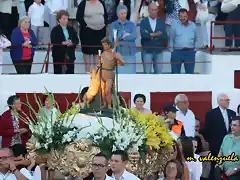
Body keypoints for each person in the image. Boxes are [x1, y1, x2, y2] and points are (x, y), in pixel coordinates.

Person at [76, 0, 108, 73]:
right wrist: (86, 26)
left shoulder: (101, 2)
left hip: (100, 32)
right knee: (87, 52)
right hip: (87, 32)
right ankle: (87, 72)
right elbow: (78, 17)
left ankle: (96, 74)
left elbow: (105, 15)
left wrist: (104, 24)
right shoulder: (83, 3)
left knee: (98, 52)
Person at [140, 2, 167, 74]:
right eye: (153, 10)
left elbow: (164, 36)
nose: (155, 12)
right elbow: (143, 35)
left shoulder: (161, 22)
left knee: (159, 73)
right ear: (148, 10)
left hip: (159, 51)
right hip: (147, 51)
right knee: (147, 73)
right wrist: (156, 34)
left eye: (156, 10)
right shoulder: (143, 22)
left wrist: (151, 35)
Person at [110, 5, 137, 74]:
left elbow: (134, 36)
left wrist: (122, 37)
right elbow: (114, 37)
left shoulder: (131, 24)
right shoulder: (113, 24)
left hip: (130, 53)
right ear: (117, 14)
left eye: (125, 13)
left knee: (131, 74)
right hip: (118, 53)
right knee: (119, 75)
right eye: (121, 13)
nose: (124, 15)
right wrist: (125, 34)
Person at [169, 8, 197, 74]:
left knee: (190, 74)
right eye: (181, 17)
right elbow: (171, 39)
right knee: (175, 74)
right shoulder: (174, 25)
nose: (183, 18)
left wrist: (194, 50)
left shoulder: (193, 25)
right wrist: (172, 51)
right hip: (177, 53)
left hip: (190, 53)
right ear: (178, 16)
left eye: (185, 16)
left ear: (188, 16)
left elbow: (196, 39)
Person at [100, 38, 124, 108]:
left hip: (110, 73)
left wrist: (118, 58)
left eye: (105, 45)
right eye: (103, 45)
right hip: (102, 72)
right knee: (103, 91)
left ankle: (110, 105)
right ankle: (105, 104)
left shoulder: (115, 53)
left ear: (109, 45)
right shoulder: (103, 53)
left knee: (108, 90)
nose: (103, 46)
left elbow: (122, 63)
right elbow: (100, 64)